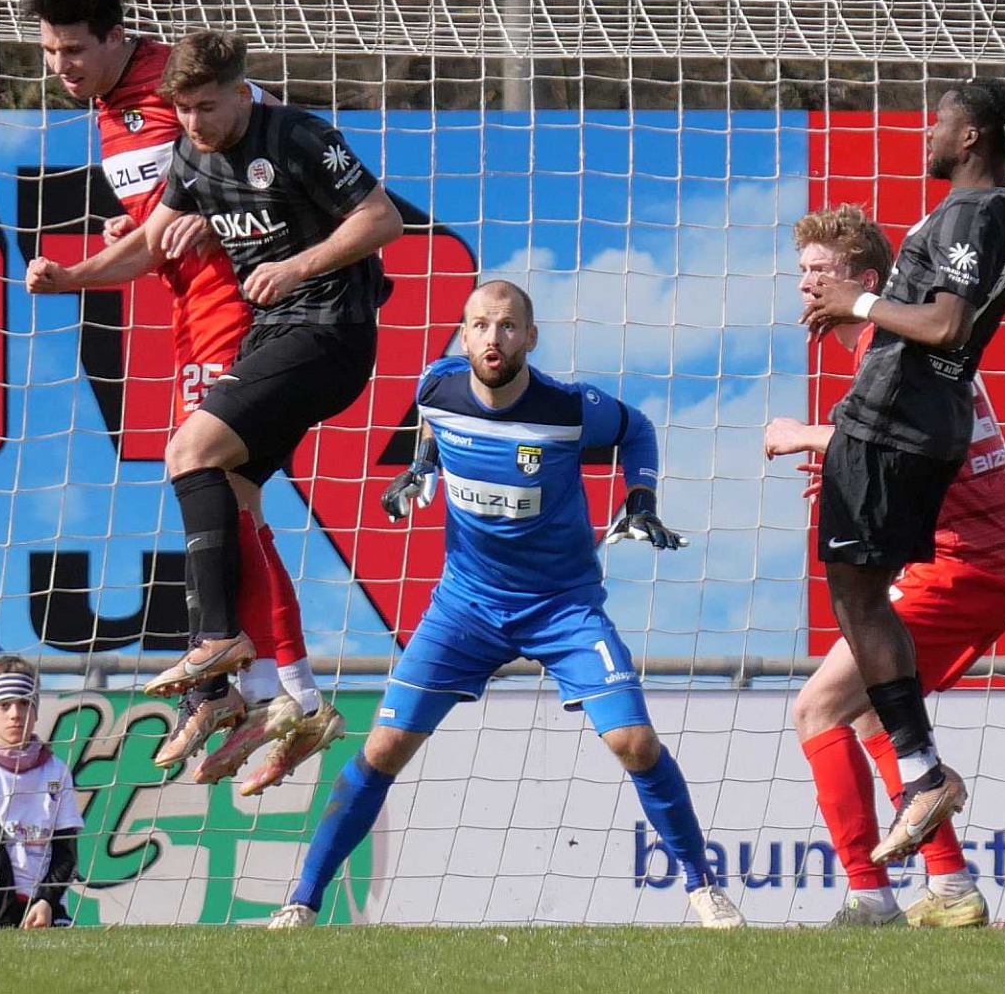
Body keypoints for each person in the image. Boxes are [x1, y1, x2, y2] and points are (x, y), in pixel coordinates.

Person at [267, 280, 741, 929]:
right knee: (383, 748)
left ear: (531, 337)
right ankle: (301, 901)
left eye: (509, 325)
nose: (495, 337)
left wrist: (641, 499)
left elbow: (638, 430)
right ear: (464, 337)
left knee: (634, 741)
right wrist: (423, 465)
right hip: (465, 607)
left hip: (562, 607)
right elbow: (432, 420)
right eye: (482, 325)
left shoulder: (568, 408)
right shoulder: (436, 385)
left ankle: (703, 887)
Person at [21, 0, 329, 789]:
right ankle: (270, 692)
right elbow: (161, 223)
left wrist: (225, 207)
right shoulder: (106, 109)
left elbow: (271, 136)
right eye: (49, 51)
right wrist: (111, 250)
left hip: (239, 301)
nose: (61, 66)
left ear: (116, 37)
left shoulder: (174, 82)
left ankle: (248, 682)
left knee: (212, 480)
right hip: (189, 311)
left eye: (74, 49)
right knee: (230, 500)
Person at [135, 29, 404, 787]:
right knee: (233, 494)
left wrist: (294, 267)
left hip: (329, 332)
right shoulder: (191, 155)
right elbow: (151, 242)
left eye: (205, 106)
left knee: (189, 453)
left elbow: (382, 219)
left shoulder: (297, 136)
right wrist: (73, 274)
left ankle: (218, 646)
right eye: (182, 109)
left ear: (241, 89)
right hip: (274, 335)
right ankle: (285, 701)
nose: (193, 122)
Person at [767, 204, 1005, 928]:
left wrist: (804, 435)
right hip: (978, 562)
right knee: (874, 714)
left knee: (817, 707)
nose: (806, 285)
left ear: (865, 283)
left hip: (966, 565)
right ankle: (951, 888)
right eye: (801, 272)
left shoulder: (895, 345)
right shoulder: (890, 347)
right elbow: (914, 455)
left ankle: (869, 897)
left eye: (821, 272)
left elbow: (899, 442)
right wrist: (852, 469)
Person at [798, 80, 1005, 866]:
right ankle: (940, 863)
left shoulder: (970, 213)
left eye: (939, 122)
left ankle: (919, 783)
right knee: (868, 663)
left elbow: (946, 323)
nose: (926, 134)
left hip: (898, 429)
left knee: (853, 602)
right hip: (913, 433)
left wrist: (858, 306)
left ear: (972, 136)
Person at [0, 656, 83, 930]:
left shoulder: (56, 769)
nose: (15, 714)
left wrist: (46, 901)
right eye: (4, 705)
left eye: (24, 703)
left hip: (41, 902)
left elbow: (66, 851)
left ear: (36, 710)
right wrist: (10, 916)